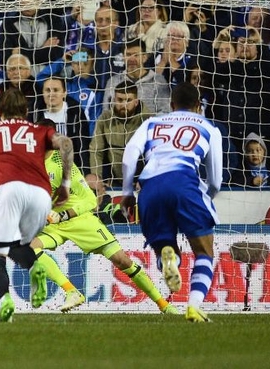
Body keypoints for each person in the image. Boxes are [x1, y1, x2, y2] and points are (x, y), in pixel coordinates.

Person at [30, 118, 179, 315]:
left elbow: (91, 200)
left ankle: (163, 305)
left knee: (122, 261)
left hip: (78, 220)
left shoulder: (62, 163)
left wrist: (64, 215)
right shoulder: (29, 163)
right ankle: (71, 292)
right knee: (30, 248)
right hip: (51, 223)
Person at [0, 88, 73, 323]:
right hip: (41, 195)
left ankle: (5, 300)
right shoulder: (39, 130)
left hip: (8, 190)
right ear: (26, 112)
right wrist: (65, 183)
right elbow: (65, 143)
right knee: (15, 243)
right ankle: (35, 267)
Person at [121, 83, 223, 322]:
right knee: (204, 252)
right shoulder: (209, 128)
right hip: (184, 183)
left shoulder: (151, 123)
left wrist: (127, 192)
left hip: (150, 188)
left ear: (171, 105)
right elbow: (216, 179)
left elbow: (129, 154)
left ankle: (169, 258)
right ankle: (194, 305)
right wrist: (205, 196)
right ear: (199, 106)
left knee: (165, 245)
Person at [89, 81, 153, 186]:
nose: (123, 104)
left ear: (136, 102)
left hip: (142, 183)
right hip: (113, 182)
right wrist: (97, 177)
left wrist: (146, 178)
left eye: (128, 100)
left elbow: (154, 154)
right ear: (114, 100)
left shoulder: (149, 120)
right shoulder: (105, 118)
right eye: (120, 100)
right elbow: (96, 151)